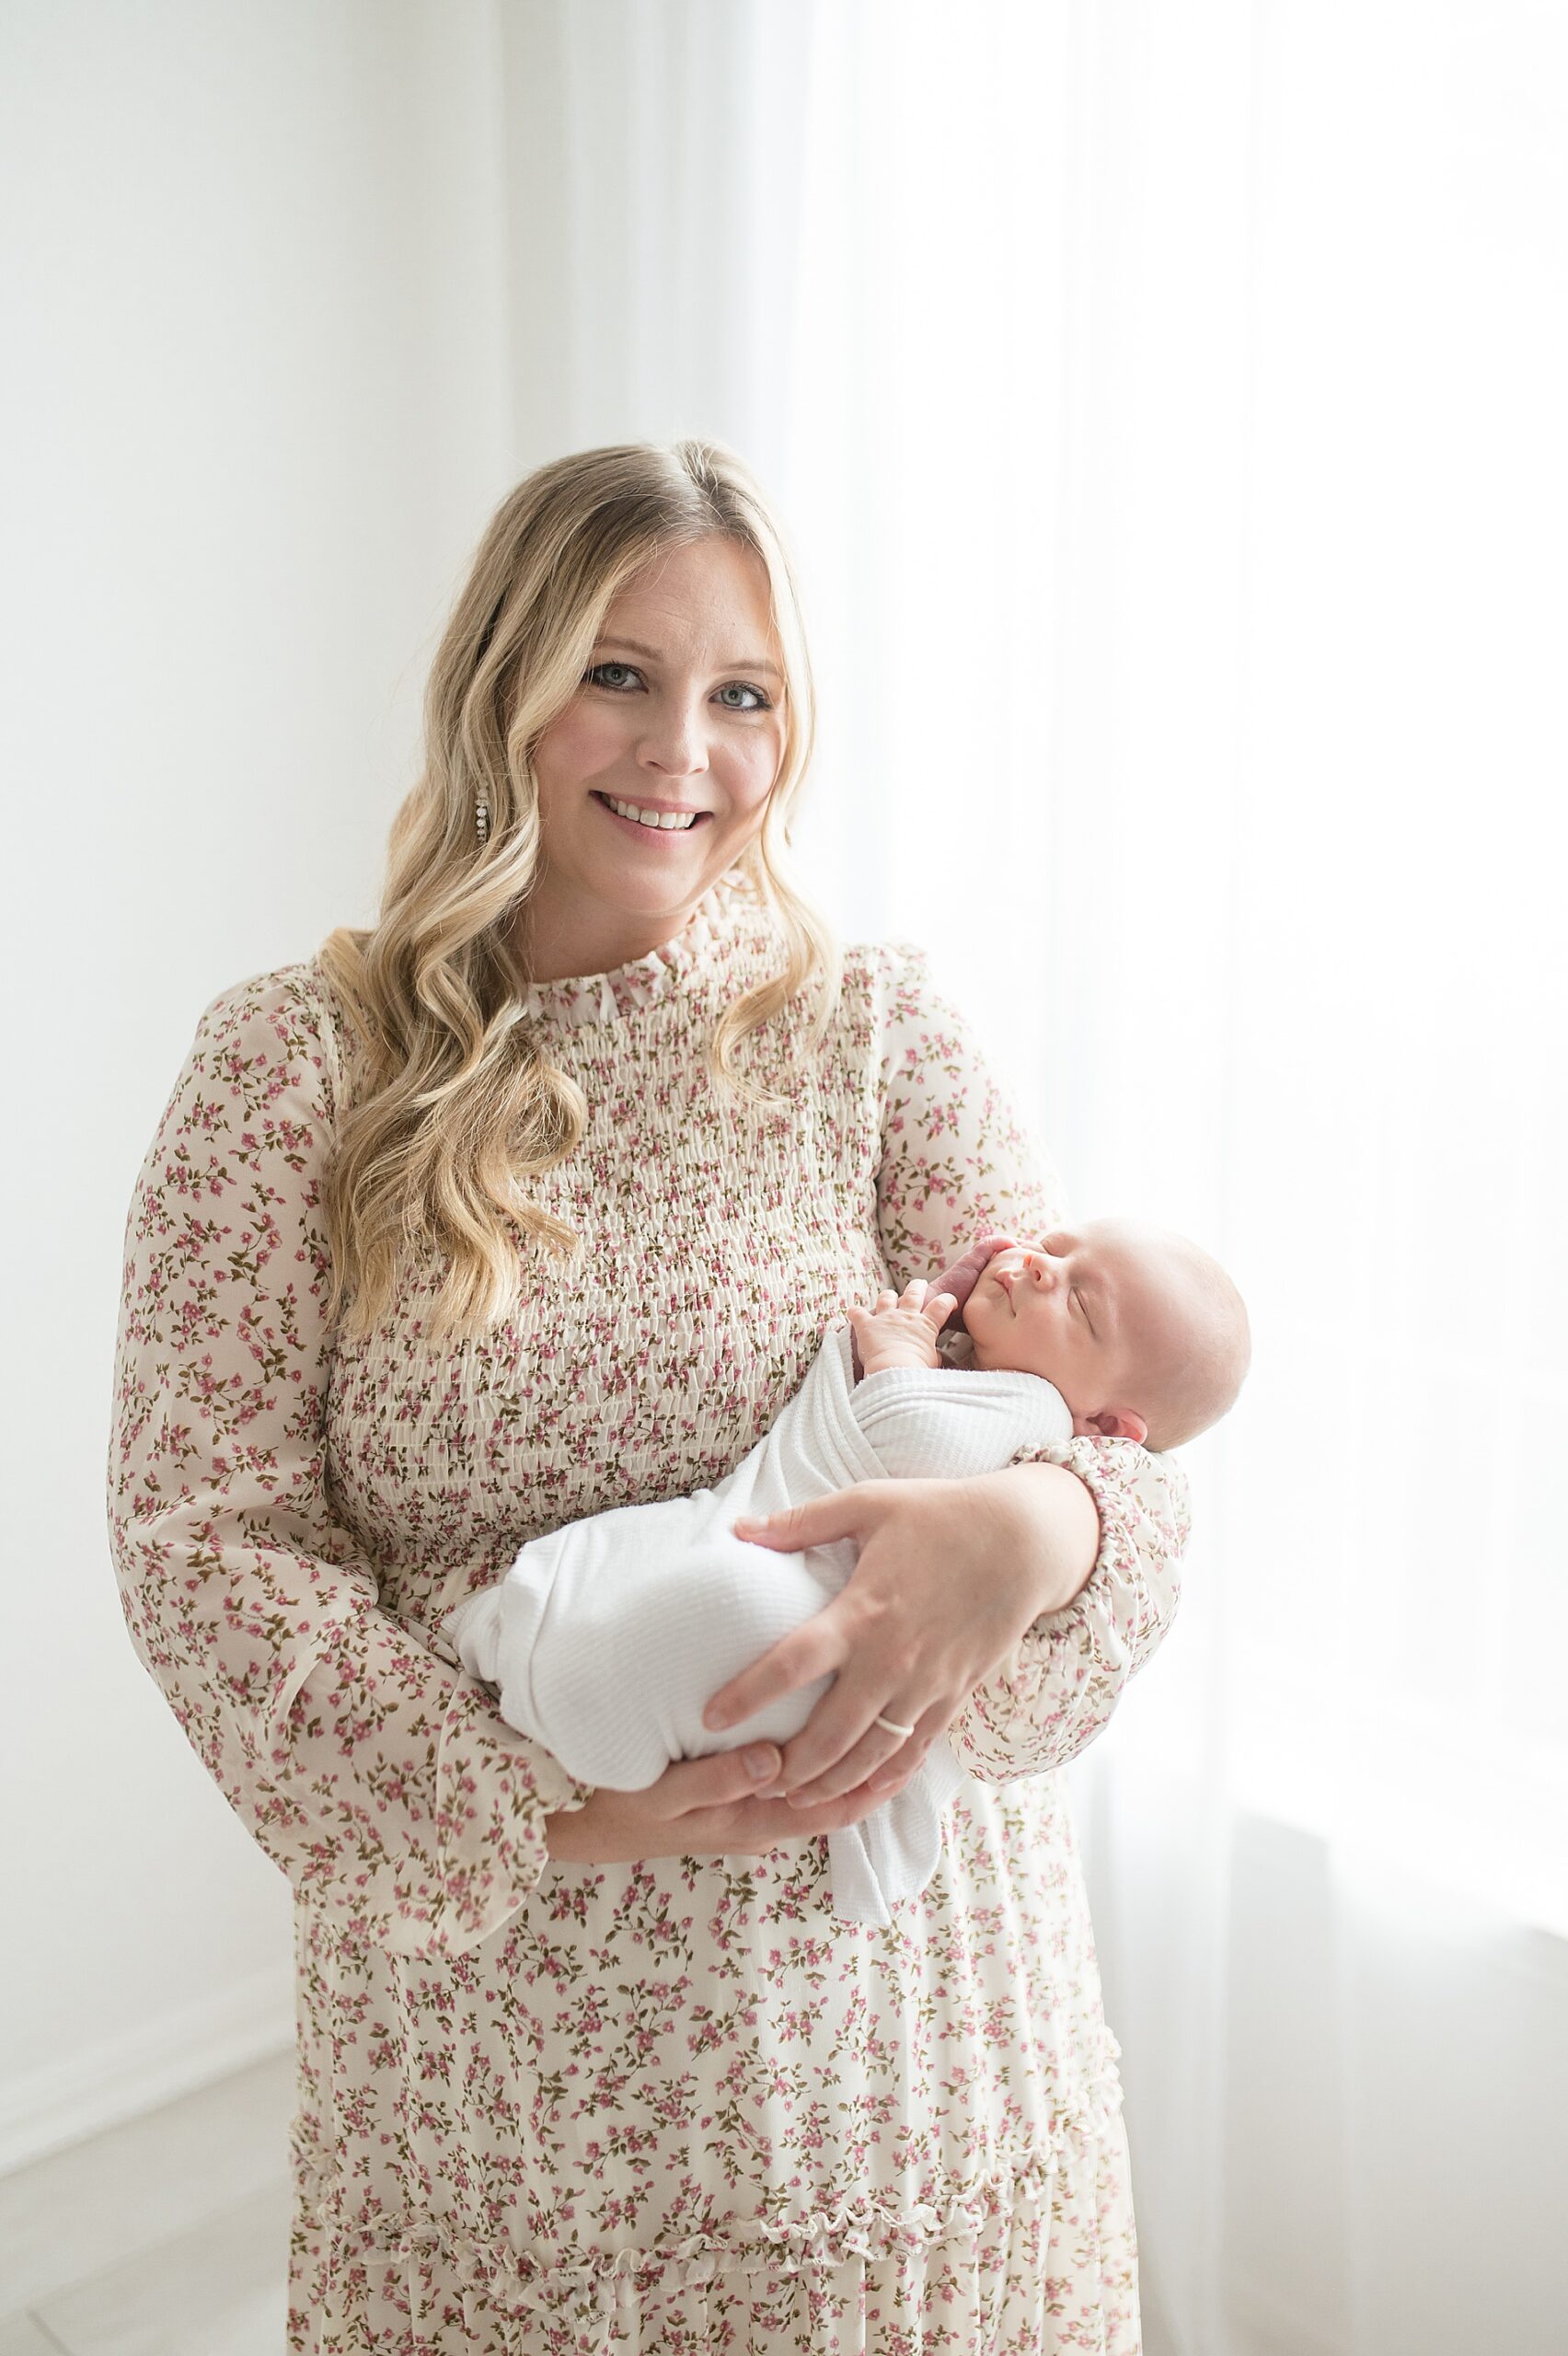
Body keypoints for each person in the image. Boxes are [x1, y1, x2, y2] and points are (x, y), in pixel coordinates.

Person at [107, 439, 1193, 2354]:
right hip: (517, 2095)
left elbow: (1116, 1415)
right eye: (620, 669)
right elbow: (211, 1542)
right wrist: (555, 1818)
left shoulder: (872, 1032)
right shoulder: (296, 1067)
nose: (681, 742)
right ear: (503, 681)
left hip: (919, 2067)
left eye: (741, 691)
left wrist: (1036, 1523)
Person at [437, 1224, 1247, 1929]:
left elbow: (915, 1453)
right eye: (1058, 1244)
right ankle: (536, 1654)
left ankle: (552, 1678)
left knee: (743, 1612)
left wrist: (898, 1359)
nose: (1040, 1265)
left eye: (1078, 1302)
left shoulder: (1035, 1411)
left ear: (1106, 1426)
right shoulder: (974, 1363)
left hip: (828, 1627)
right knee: (683, 1578)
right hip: (743, 1559)